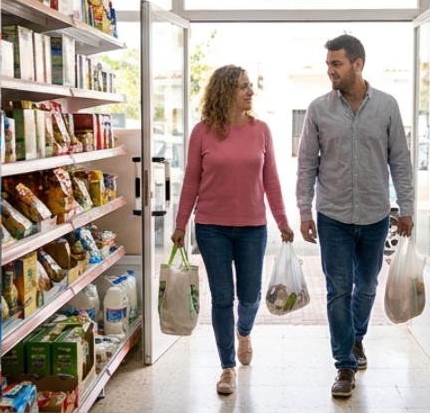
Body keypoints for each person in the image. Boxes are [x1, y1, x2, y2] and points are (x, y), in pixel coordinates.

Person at [296, 34, 415, 399]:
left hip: (376, 215)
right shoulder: (318, 109)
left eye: (337, 63)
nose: (329, 70)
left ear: (357, 64)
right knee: (337, 291)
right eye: (329, 63)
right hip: (332, 216)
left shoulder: (388, 106)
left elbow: (401, 162)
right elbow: (306, 164)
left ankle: (357, 338)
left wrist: (407, 209)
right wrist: (304, 210)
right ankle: (344, 365)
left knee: (366, 287)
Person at [171, 65, 292, 397]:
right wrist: (181, 224)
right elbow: (191, 181)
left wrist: (282, 221)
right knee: (222, 298)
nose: (250, 91)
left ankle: (244, 332)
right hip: (211, 228)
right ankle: (227, 367)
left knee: (251, 296)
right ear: (225, 92)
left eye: (250, 85)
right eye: (243, 86)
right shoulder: (202, 132)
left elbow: (271, 181)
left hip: (253, 227)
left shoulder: (261, 130)